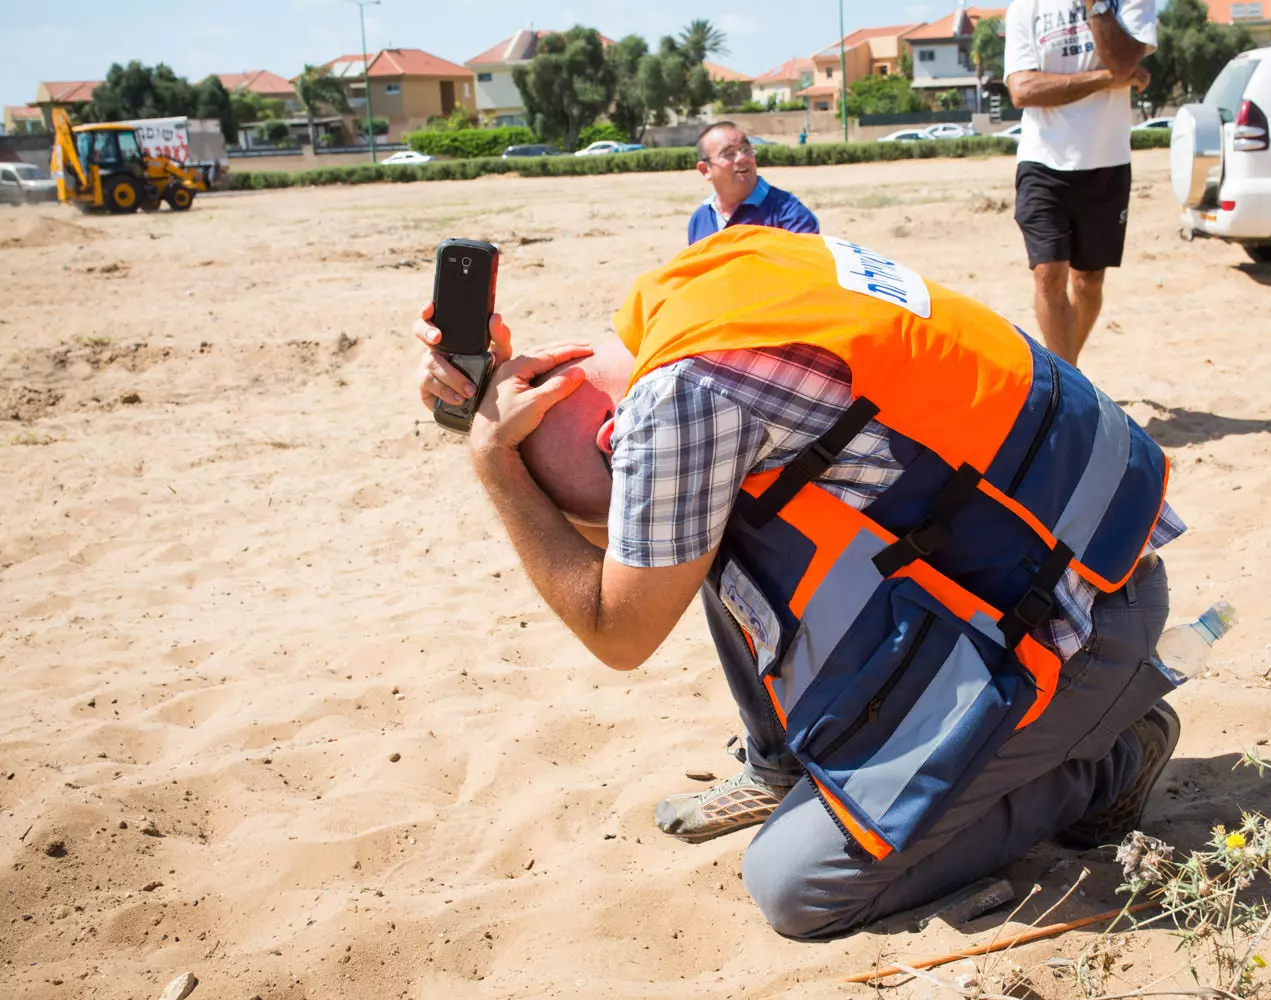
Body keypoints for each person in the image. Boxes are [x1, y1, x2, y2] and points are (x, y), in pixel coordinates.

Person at [413, 227, 1187, 940]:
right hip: (1072, 550)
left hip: (1077, 628)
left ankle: (1108, 763)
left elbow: (619, 632)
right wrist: (481, 406)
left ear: (619, 437)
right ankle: (779, 761)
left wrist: (495, 468)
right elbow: (650, 534)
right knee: (687, 530)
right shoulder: (689, 291)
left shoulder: (683, 404)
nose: (603, 531)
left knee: (797, 886)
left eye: (598, 511)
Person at [1003, 0, 1156, 367]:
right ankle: (1067, 389)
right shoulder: (1026, 7)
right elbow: (1022, 90)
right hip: (1043, 160)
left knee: (1088, 282)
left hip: (1106, 161)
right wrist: (1106, 79)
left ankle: (1068, 370)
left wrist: (1097, 6)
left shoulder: (1129, 3)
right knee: (1048, 274)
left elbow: (1123, 62)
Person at [687, 122, 819, 245]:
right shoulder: (701, 218)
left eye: (745, 150)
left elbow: (806, 266)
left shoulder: (788, 213)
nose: (742, 158)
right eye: (729, 154)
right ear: (705, 170)